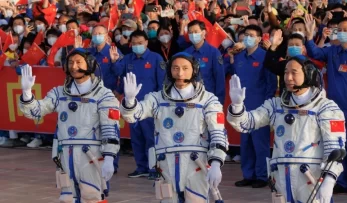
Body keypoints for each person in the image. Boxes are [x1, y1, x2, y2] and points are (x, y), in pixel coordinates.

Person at [227, 56, 346, 203]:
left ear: (309, 74)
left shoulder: (326, 107)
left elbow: (335, 149)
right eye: (285, 72)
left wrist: (329, 180)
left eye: (294, 72)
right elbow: (247, 124)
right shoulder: (276, 105)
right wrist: (237, 106)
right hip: (281, 180)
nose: (288, 77)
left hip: (310, 179)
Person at [120, 52, 228, 202]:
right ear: (169, 70)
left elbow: (218, 132)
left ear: (194, 70)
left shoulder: (207, 99)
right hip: (166, 167)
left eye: (185, 68)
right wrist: (130, 101)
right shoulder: (157, 98)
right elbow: (133, 115)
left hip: (195, 165)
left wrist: (216, 163)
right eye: (175, 68)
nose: (180, 73)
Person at [18, 48, 120, 203]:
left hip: (91, 156)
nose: (74, 66)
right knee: (67, 198)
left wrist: (109, 158)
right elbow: (36, 112)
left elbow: (110, 128)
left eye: (79, 62)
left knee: (92, 195)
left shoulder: (103, 95)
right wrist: (26, 93)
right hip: (65, 155)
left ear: (90, 64)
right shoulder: (59, 93)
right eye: (71, 62)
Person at [305, 15, 347, 195]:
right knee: (336, 146)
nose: (341, 33)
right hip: (333, 110)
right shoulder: (332, 51)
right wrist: (310, 35)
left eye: (345, 30)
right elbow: (314, 53)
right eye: (339, 30)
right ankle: (341, 181)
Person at [113, 30, 166, 179]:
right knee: (136, 138)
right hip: (132, 105)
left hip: (150, 107)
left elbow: (162, 83)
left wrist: (160, 103)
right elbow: (119, 74)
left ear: (146, 43)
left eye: (140, 43)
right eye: (134, 43)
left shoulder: (156, 58)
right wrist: (115, 60)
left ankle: (154, 168)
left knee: (151, 138)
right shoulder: (128, 59)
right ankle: (141, 167)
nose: (137, 46)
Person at [230, 24, 277, 188]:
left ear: (259, 39)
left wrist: (267, 104)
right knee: (246, 143)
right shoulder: (239, 57)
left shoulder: (265, 57)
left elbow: (271, 83)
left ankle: (262, 176)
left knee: (260, 144)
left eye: (252, 35)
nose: (248, 38)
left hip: (259, 108)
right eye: (246, 35)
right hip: (243, 108)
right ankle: (248, 174)